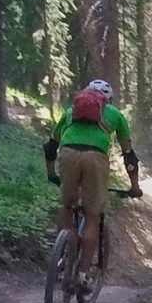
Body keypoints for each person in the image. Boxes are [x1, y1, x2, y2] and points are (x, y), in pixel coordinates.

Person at [43, 78, 140, 275]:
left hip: (68, 154)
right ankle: (82, 274)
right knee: (92, 216)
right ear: (108, 100)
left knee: (66, 206)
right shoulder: (115, 115)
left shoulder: (71, 112)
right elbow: (129, 157)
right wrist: (134, 186)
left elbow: (51, 146)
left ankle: (65, 250)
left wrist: (52, 173)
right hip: (95, 159)